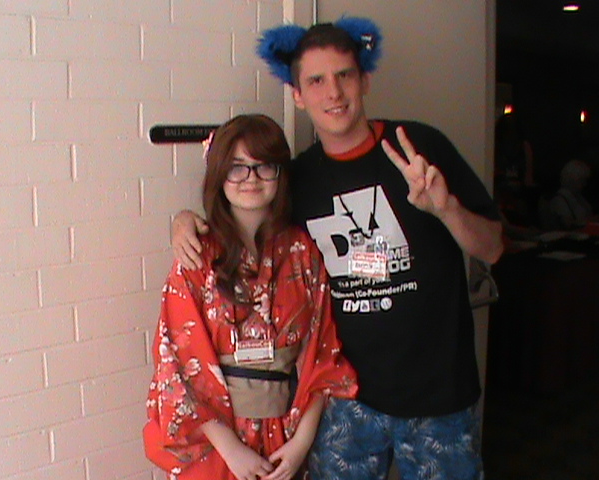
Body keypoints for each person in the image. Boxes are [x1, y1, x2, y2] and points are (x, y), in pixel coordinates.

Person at [172, 18, 503, 480]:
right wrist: (185, 221)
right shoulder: (297, 179)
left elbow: (492, 248)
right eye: (316, 80)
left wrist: (446, 209)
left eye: (344, 74)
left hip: (439, 397)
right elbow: (246, 218)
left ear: (364, 79)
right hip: (346, 399)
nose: (334, 92)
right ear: (298, 94)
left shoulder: (417, 147)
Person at [143, 114, 357, 480]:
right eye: (237, 168)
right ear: (219, 175)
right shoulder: (197, 255)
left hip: (283, 436)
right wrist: (231, 450)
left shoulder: (301, 251)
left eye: (264, 167)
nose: (251, 179)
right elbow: (176, 361)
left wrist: (301, 443)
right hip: (215, 441)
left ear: (281, 174)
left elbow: (322, 353)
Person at [547, 159, 593, 230]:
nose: (584, 184)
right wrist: (591, 221)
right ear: (572, 179)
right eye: (582, 180)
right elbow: (569, 225)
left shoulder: (579, 197)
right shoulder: (559, 200)